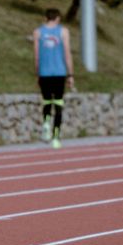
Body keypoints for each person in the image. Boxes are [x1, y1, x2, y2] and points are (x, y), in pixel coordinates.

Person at [33, 8, 74, 150]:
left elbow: (37, 56)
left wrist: (37, 73)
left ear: (45, 18)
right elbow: (67, 54)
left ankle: (46, 123)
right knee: (58, 105)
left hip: (44, 73)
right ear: (57, 18)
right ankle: (56, 138)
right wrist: (71, 74)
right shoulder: (63, 32)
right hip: (59, 73)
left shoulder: (38, 32)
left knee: (46, 102)